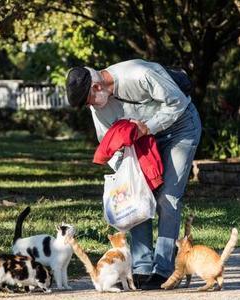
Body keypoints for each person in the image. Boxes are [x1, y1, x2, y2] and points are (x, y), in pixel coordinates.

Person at [66, 59, 201, 290]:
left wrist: (148, 127)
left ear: (96, 87)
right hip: (140, 143)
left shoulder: (139, 74)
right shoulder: (97, 108)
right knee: (138, 195)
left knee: (167, 198)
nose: (91, 106)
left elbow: (176, 102)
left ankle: (163, 271)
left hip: (180, 128)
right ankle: (141, 268)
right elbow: (107, 141)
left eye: (88, 100)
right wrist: (129, 173)